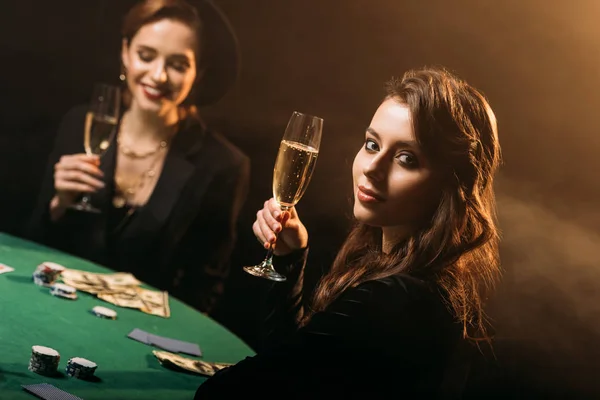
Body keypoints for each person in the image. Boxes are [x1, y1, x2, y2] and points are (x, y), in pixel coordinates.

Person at [194, 66, 502, 398]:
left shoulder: (393, 300)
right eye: (372, 144)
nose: (372, 167)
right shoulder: (422, 284)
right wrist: (289, 258)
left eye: (406, 158)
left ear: (449, 186)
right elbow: (292, 369)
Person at [24, 0, 249, 314]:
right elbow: (32, 246)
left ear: (198, 73)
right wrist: (58, 205)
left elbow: (205, 289)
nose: (157, 75)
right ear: (125, 53)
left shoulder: (222, 164)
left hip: (144, 335)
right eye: (146, 56)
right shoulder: (80, 124)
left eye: (178, 64)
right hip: (56, 311)